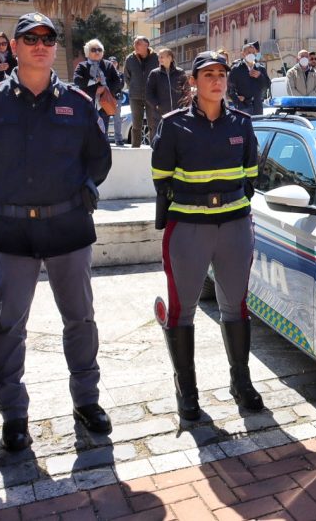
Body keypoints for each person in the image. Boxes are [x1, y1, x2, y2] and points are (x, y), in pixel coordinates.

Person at [0, 12, 113, 451]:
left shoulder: (78, 104)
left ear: (55, 47)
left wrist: (85, 189)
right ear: (15, 47)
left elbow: (99, 159)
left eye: (48, 38)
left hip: (68, 227)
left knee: (80, 321)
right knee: (8, 328)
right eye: (31, 38)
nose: (41, 44)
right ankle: (15, 416)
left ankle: (87, 402)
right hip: (12, 230)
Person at [151, 50, 264, 419]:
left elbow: (251, 175)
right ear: (194, 82)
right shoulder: (173, 125)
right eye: (208, 74)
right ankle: (187, 390)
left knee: (236, 306)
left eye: (221, 74)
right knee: (182, 311)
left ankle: (241, 382)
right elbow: (161, 178)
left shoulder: (242, 124)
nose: (216, 81)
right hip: (188, 228)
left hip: (234, 226)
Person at [74, 39, 123, 139]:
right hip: (87, 104)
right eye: (93, 50)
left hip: (105, 105)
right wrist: (94, 87)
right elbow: (77, 80)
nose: (97, 52)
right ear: (87, 52)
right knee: (87, 133)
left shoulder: (108, 65)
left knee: (103, 133)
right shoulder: (82, 66)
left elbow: (117, 81)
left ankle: (102, 154)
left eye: (99, 49)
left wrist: (106, 90)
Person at [124, 36, 158, 147]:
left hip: (151, 96)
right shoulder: (130, 59)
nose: (136, 46)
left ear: (146, 45)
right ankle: (135, 148)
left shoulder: (156, 57)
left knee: (152, 123)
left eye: (138, 43)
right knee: (136, 125)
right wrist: (133, 87)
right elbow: (127, 77)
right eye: (135, 43)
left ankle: (154, 148)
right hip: (135, 96)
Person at [146, 48, 189, 131]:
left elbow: (186, 90)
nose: (159, 59)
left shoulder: (180, 72)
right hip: (160, 114)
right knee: (161, 139)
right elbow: (148, 93)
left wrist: (184, 106)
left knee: (178, 139)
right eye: (159, 57)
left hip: (178, 113)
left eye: (162, 57)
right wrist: (156, 106)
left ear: (170, 58)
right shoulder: (154, 74)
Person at [228, 40, 271, 114]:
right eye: (249, 52)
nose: (251, 55)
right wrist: (237, 99)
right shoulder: (236, 69)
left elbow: (267, 86)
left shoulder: (260, 68)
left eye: (253, 53)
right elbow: (230, 89)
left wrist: (260, 76)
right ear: (243, 54)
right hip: (243, 108)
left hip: (257, 108)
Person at [109, 56, 125, 146]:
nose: (113, 63)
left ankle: (118, 139)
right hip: (106, 98)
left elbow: (121, 85)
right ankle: (103, 138)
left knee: (117, 119)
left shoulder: (120, 74)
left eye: (114, 62)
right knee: (105, 118)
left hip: (117, 98)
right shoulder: (105, 73)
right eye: (111, 62)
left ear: (117, 63)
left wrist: (112, 86)